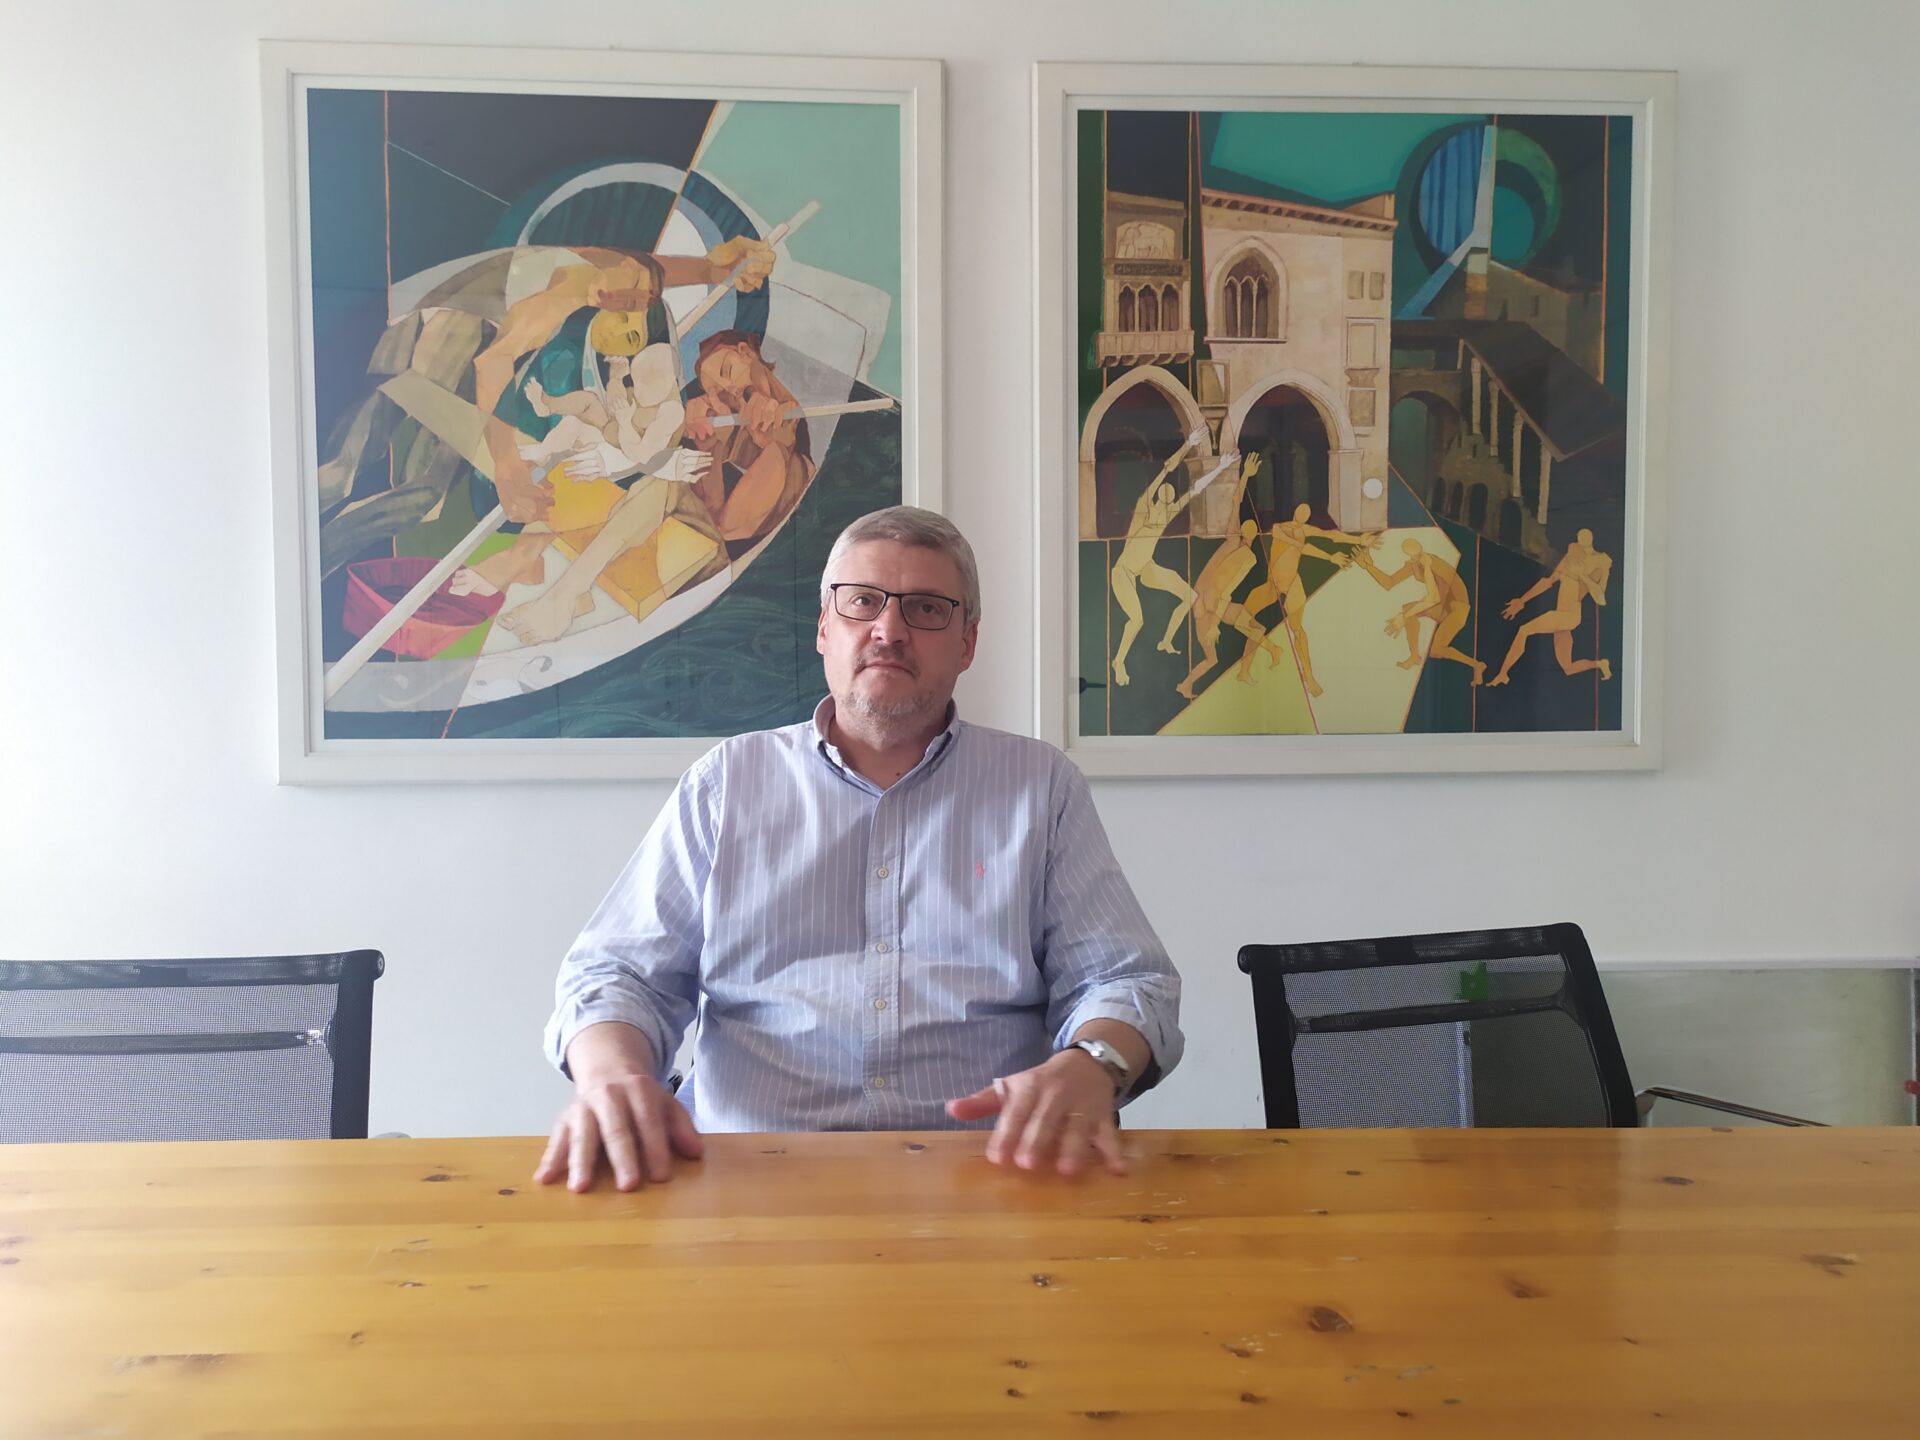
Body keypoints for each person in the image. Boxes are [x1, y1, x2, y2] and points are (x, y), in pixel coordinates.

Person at [537, 506, 1183, 1192]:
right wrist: (612, 1074)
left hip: (991, 1175)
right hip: (744, 1180)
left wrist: (1092, 1064)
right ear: (824, 626)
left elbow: (1126, 982)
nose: (889, 630)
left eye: (926, 609)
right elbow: (617, 974)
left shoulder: (1040, 787)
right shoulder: (727, 783)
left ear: (967, 643)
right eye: (863, 601)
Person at [1175, 451, 1284, 700]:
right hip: (1209, 602)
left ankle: (1187, 684)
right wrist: (1244, 476)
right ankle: (1270, 651)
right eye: (1250, 527)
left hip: (1210, 600)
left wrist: (1246, 476)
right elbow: (1236, 502)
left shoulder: (1243, 550)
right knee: (1231, 643)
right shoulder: (1238, 545)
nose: (1250, 529)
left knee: (1242, 637)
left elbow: (1236, 503)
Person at [1108, 427, 1210, 687]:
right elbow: (1165, 470)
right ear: (1154, 501)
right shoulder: (1143, 510)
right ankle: (1119, 661)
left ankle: (1166, 640)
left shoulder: (1164, 516)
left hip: (1146, 568)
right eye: (1162, 500)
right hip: (1124, 573)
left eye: (1169, 503)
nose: (1165, 507)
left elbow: (1195, 490)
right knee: (1137, 620)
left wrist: (1221, 466)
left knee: (1188, 594)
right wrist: (1187, 444)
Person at [1237, 502, 1370, 698]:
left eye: (1307, 512)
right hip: (1273, 584)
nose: (1304, 514)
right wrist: (1327, 556)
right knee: (1246, 619)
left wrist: (1358, 539)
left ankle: (1309, 677)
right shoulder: (1278, 528)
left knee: (1298, 630)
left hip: (1293, 584)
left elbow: (1330, 535)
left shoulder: (1305, 530)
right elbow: (1298, 546)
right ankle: (1244, 670)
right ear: (1295, 511)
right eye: (1301, 510)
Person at [1345, 537, 1486, 682]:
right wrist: (1369, 566)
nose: (1417, 558)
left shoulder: (1432, 563)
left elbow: (1433, 598)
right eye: (1414, 556)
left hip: (1458, 607)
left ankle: (1476, 665)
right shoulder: (1414, 563)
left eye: (1418, 555)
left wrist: (1403, 616)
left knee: (1436, 650)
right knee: (1408, 610)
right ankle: (1414, 656)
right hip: (1442, 605)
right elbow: (1389, 583)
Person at [1487, 528, 1614, 686]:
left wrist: (1582, 575)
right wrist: (1521, 600)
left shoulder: (1601, 561)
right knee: (1568, 668)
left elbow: (1601, 599)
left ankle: (1503, 674)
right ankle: (1600, 664)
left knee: (1524, 630)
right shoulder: (1572, 554)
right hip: (1561, 616)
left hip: (1570, 615)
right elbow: (1548, 581)